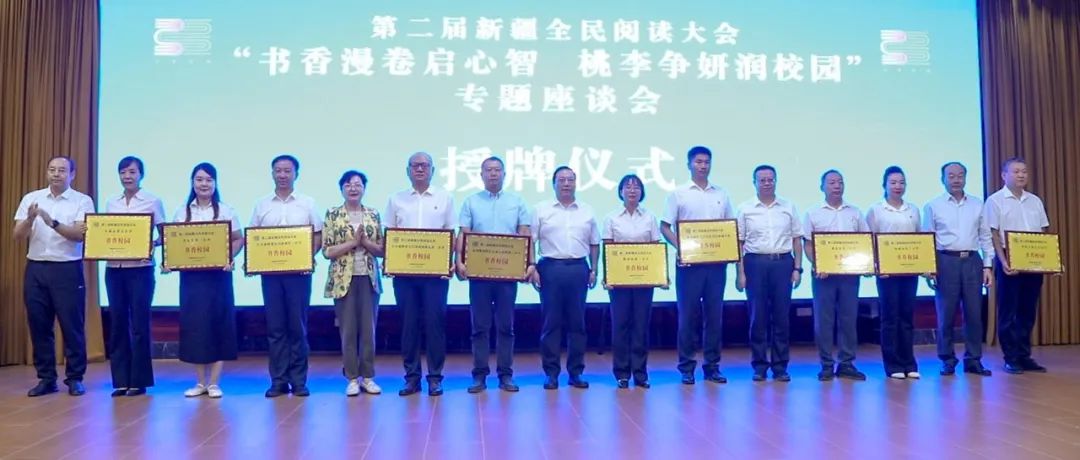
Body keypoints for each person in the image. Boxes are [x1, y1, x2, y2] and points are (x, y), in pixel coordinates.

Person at [13, 156, 95, 397]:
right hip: (36, 268)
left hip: (67, 269)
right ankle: (47, 378)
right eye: (52, 170)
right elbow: (17, 235)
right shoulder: (32, 198)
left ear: (72, 174)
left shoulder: (82, 201)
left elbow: (79, 235)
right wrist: (30, 218)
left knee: (72, 326)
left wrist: (52, 222)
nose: (56, 174)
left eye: (62, 170)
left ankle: (75, 378)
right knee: (39, 325)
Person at [250, 154, 324, 398]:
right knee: (275, 328)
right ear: (272, 173)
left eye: (287, 171)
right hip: (271, 275)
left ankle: (299, 381)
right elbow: (254, 237)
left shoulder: (308, 203)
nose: (282, 175)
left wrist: (307, 257)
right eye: (278, 170)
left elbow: (318, 235)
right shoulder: (261, 204)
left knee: (297, 327)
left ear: (296, 174)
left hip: (299, 275)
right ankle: (278, 381)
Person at [168, 163, 243, 398]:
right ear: (192, 183)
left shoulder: (226, 211)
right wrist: (170, 261)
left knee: (218, 325)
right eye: (199, 179)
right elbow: (174, 243)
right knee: (195, 327)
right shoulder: (181, 212)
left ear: (215, 183)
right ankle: (200, 383)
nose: (204, 184)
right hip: (191, 279)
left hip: (218, 277)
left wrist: (229, 257)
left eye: (209, 180)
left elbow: (238, 239)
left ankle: (214, 383)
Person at [660, 146, 734, 385]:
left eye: (706, 162)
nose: (703, 166)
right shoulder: (678, 194)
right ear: (689, 164)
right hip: (689, 266)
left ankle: (712, 366)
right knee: (687, 317)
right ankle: (686, 367)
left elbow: (729, 227)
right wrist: (682, 248)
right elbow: (665, 227)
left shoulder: (721, 193)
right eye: (698, 161)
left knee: (714, 316)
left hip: (716, 265)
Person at [456, 156, 530, 393]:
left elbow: (525, 234)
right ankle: (479, 375)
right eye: (488, 170)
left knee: (506, 326)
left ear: (504, 174)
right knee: (480, 326)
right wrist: (458, 261)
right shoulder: (471, 201)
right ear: (481, 175)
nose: (493, 173)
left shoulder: (517, 202)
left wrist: (529, 263)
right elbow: (464, 234)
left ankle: (505, 375)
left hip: (507, 275)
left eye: (497, 170)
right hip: (479, 274)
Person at [385, 152, 456, 396]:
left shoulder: (445, 198)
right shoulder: (396, 199)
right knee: (408, 326)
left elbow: (451, 233)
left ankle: (435, 377)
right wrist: (391, 263)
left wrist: (449, 263)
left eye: (424, 165)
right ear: (407, 170)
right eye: (415, 166)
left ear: (432, 170)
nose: (419, 169)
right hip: (405, 275)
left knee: (435, 325)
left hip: (436, 275)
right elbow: (390, 235)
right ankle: (411, 378)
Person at [530, 166, 600, 390]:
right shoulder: (541, 209)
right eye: (561, 180)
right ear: (554, 184)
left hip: (579, 268)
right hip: (550, 268)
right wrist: (532, 267)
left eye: (570, 179)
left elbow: (594, 243)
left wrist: (594, 269)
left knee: (577, 324)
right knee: (551, 323)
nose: (566, 183)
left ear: (576, 183)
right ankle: (551, 373)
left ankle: (576, 372)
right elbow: (531, 241)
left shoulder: (587, 210)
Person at [922, 161, 994, 377]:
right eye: (951, 176)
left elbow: (985, 236)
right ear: (942, 179)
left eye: (960, 175)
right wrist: (929, 267)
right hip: (946, 261)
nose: (956, 180)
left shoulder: (977, 204)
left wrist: (988, 265)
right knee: (946, 314)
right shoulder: (933, 205)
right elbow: (928, 238)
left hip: (972, 261)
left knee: (974, 314)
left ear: (965, 178)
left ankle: (973, 359)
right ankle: (947, 359)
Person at [103, 156, 167, 396]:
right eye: (123, 172)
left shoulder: (152, 201)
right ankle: (121, 380)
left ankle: (139, 381)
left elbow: (164, 234)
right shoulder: (112, 201)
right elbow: (107, 233)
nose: (127, 176)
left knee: (140, 324)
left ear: (141, 174)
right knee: (118, 323)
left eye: (132, 172)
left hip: (141, 269)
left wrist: (150, 245)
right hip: (114, 269)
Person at [735, 165, 804, 382]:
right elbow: (739, 243)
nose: (767, 183)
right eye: (762, 180)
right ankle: (759, 366)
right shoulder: (745, 208)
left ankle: (780, 367)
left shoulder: (788, 206)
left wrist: (797, 268)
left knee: (781, 317)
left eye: (770, 179)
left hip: (783, 263)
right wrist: (740, 273)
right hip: (755, 263)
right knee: (758, 317)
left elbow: (797, 240)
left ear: (776, 181)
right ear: (754, 182)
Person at [984, 157, 1051, 374]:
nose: (1021, 175)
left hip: (1033, 261)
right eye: (1016, 171)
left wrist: (1049, 261)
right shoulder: (995, 201)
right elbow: (994, 233)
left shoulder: (1035, 201)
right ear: (1004, 175)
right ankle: (1010, 357)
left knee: (1027, 311)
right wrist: (1002, 261)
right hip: (1009, 260)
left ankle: (1024, 355)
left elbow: (1043, 233)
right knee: (1008, 312)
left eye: (1024, 171)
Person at [322, 170, 384, 396]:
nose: (353, 188)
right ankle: (351, 378)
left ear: (364, 188)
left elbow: (382, 250)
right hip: (342, 280)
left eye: (358, 184)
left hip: (368, 278)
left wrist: (364, 242)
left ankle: (368, 377)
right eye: (348, 185)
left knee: (369, 330)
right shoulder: (332, 214)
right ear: (341, 189)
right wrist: (352, 243)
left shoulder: (373, 214)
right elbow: (327, 251)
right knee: (348, 331)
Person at [803, 169, 869, 381]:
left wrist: (866, 265)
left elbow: (865, 241)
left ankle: (846, 363)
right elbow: (808, 245)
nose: (837, 186)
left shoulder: (855, 212)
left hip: (849, 275)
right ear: (822, 187)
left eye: (840, 182)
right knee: (824, 320)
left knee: (848, 319)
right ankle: (826, 364)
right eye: (831, 182)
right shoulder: (813, 213)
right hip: (824, 276)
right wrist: (818, 264)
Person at [602, 174, 661, 389]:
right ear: (620, 192)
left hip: (644, 281)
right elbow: (607, 249)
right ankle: (622, 372)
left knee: (641, 326)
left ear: (642, 192)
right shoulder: (611, 218)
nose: (632, 190)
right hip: (620, 282)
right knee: (621, 325)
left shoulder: (650, 217)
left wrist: (660, 276)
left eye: (636, 187)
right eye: (627, 187)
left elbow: (655, 248)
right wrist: (607, 277)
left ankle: (640, 372)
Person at [867, 166, 922, 380]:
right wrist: (877, 267)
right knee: (890, 317)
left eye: (901, 182)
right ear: (885, 185)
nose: (898, 186)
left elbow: (919, 239)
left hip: (909, 270)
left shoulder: (913, 209)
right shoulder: (876, 210)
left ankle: (910, 363)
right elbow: (871, 241)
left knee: (907, 317)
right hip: (887, 273)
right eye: (893, 182)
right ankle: (892, 364)